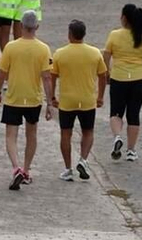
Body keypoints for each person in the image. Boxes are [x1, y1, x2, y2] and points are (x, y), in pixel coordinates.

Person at [46, 15, 109, 181]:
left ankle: (68, 168)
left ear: (70, 34)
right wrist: (100, 97)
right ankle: (83, 159)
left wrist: (52, 96)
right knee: (88, 132)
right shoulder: (95, 53)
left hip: (67, 101)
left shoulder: (60, 53)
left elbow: (52, 76)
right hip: (87, 100)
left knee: (65, 134)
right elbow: (103, 75)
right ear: (84, 34)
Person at [0, 7, 48, 190]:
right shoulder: (43, 49)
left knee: (11, 135)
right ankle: (26, 169)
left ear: (21, 25)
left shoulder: (11, 47)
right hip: (33, 98)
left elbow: (2, 72)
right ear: (36, 27)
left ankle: (16, 167)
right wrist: (50, 101)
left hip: (14, 97)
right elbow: (46, 77)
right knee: (31, 134)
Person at [104, 0, 142, 161]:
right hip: (140, 79)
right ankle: (131, 151)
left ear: (124, 18)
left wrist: (106, 73)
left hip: (119, 78)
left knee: (116, 112)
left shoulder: (114, 35)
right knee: (134, 113)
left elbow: (106, 55)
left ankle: (117, 136)